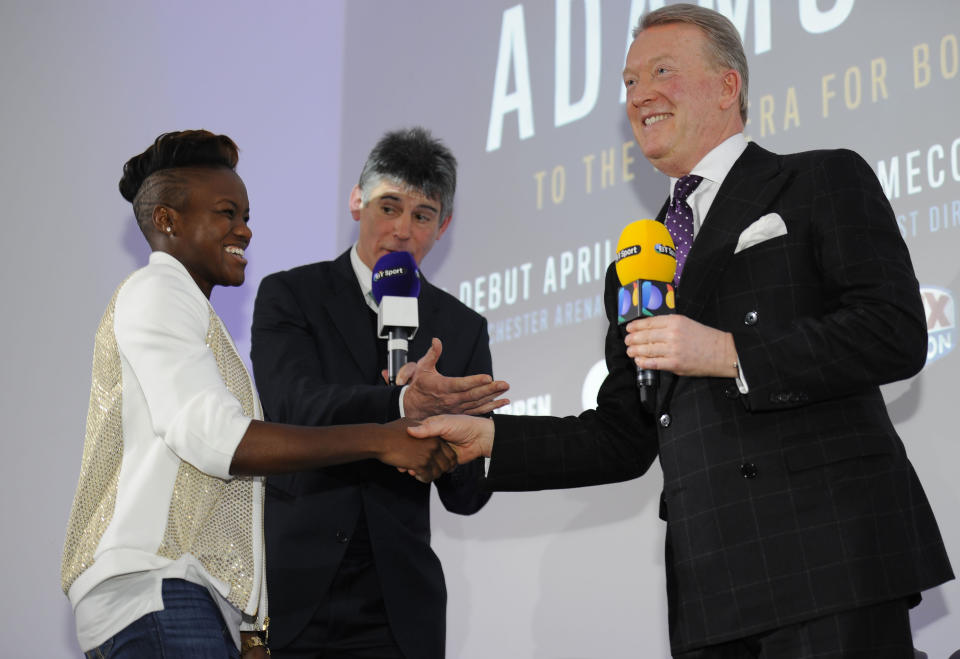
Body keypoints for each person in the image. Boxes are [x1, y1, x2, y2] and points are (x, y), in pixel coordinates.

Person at [411, 5, 953, 658]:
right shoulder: (638, 261)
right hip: (709, 589)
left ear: (728, 86)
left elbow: (893, 332)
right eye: (630, 82)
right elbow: (622, 436)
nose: (640, 95)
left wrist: (728, 353)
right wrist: (488, 438)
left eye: (661, 71)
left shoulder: (818, 180)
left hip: (828, 560)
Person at [61, 130, 457, 659]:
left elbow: (228, 491)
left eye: (246, 214)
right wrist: (381, 438)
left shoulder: (197, 317)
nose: (244, 230)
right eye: (227, 213)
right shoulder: (157, 291)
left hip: (189, 599)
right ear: (167, 220)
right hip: (157, 592)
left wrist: (247, 621)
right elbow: (221, 441)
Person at [250, 126, 508, 659]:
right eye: (389, 206)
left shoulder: (460, 329)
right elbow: (293, 407)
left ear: (445, 226)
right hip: (294, 590)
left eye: (423, 215)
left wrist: (457, 452)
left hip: (398, 608)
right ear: (356, 201)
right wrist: (400, 405)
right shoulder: (292, 295)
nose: (402, 229)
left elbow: (468, 496)